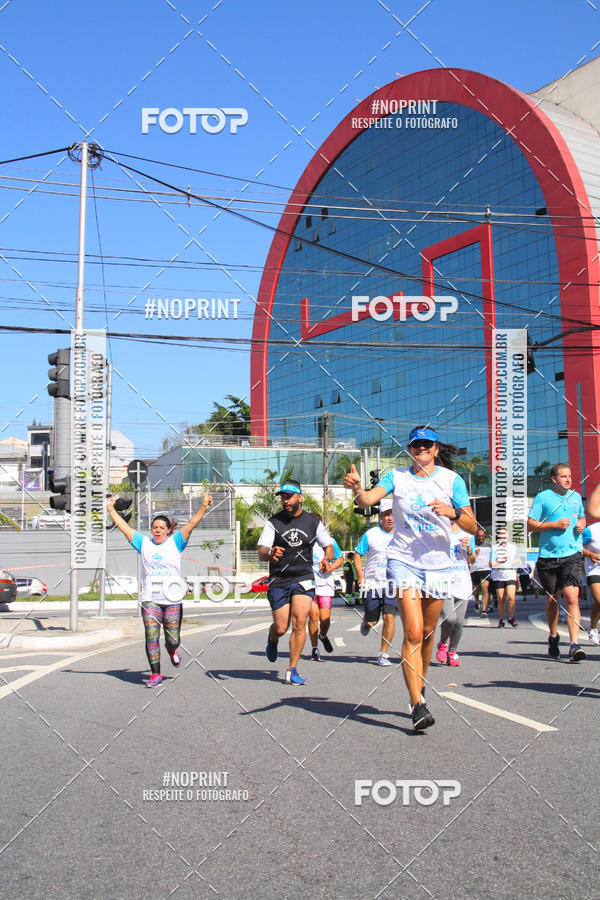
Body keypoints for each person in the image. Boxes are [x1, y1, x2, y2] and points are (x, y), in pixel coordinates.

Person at [345, 426, 476, 731]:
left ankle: (420, 683)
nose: (422, 449)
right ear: (410, 450)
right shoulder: (397, 477)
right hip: (403, 562)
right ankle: (417, 704)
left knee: (428, 633)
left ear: (436, 449)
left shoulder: (451, 480)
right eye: (417, 445)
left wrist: (453, 513)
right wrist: (357, 489)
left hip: (439, 566)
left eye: (427, 444)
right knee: (414, 633)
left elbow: (472, 526)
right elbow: (367, 500)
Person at [106, 491, 213, 687]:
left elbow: (191, 524)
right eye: (155, 527)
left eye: (162, 528)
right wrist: (111, 509)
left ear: (168, 529)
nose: (158, 530)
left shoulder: (176, 542)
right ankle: (156, 674)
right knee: (151, 636)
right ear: (151, 529)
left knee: (173, 639)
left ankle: (172, 650)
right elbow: (123, 527)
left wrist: (204, 507)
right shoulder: (143, 543)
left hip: (172, 600)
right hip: (150, 599)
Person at [257, 480, 333, 684]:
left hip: (303, 577)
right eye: (283, 497)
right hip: (279, 579)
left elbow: (328, 546)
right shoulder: (274, 522)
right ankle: (273, 638)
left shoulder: (312, 522)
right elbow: (261, 553)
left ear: (300, 497)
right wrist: (270, 552)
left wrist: (326, 560)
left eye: (289, 496)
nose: (285, 500)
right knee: (282, 627)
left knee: (300, 622)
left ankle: (292, 669)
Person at [527, 463, 586, 661]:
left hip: (572, 554)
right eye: (563, 476)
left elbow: (582, 518)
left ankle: (574, 645)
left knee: (571, 597)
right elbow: (530, 525)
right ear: (554, 479)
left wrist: (581, 524)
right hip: (548, 557)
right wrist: (554, 524)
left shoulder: (575, 497)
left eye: (570, 476)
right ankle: (553, 636)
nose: (568, 479)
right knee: (553, 599)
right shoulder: (543, 498)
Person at [353, 500, 397, 666]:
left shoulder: (402, 534)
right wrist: (360, 576)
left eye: (392, 514)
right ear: (380, 517)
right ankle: (367, 622)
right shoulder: (371, 534)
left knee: (389, 617)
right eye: (386, 515)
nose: (390, 518)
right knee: (373, 620)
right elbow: (357, 555)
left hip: (392, 584)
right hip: (372, 583)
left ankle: (383, 654)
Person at [436, 522, 474, 666]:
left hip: (463, 582)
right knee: (450, 618)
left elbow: (473, 559)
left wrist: (469, 549)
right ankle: (443, 644)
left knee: (459, 622)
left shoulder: (467, 533)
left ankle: (452, 652)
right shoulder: (439, 530)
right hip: (444, 581)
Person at [309, 522, 345, 661]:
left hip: (325, 584)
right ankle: (315, 648)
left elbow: (340, 558)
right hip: (309, 584)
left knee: (325, 619)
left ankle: (322, 635)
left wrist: (331, 567)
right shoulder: (304, 542)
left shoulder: (330, 541)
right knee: (313, 617)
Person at [490, 526, 519, 628]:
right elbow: (491, 563)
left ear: (508, 535)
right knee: (501, 599)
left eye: (504, 534)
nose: (503, 536)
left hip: (510, 574)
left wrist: (515, 562)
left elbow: (518, 559)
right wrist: (500, 561)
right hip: (498, 575)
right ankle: (501, 620)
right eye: (501, 534)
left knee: (511, 597)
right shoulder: (494, 548)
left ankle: (511, 617)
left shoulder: (513, 547)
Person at [581, 521, 600, 645]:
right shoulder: (590, 530)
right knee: (599, 600)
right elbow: (577, 545)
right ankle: (593, 629)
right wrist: (589, 554)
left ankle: (593, 628)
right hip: (594, 569)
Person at [470, 527, 492, 617]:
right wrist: (475, 553)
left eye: (482, 536)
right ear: (476, 536)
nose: (480, 538)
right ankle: (476, 602)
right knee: (476, 590)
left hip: (486, 569)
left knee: (485, 587)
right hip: (474, 569)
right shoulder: (472, 544)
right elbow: (469, 556)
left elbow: (493, 555)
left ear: (485, 536)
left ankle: (484, 609)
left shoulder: (489, 544)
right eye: (479, 536)